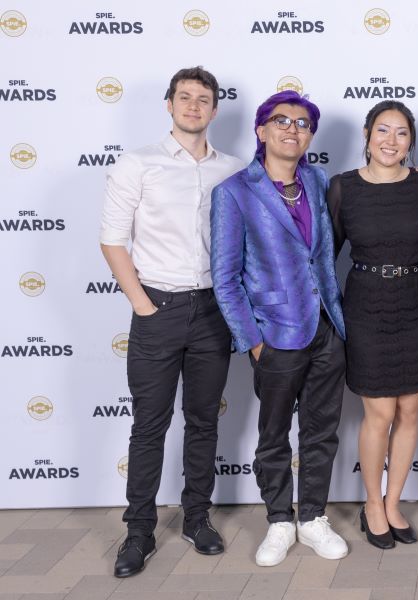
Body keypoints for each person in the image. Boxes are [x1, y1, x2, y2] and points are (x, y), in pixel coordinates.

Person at [100, 66, 242, 578]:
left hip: (212, 311)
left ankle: (196, 517)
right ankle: (138, 531)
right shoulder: (137, 164)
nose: (193, 106)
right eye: (184, 97)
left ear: (214, 109)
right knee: (149, 426)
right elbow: (113, 239)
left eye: (203, 99)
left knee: (203, 422)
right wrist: (141, 304)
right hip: (156, 307)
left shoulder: (234, 169)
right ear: (169, 104)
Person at [211, 90, 349, 567]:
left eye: (302, 123)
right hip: (274, 335)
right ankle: (278, 519)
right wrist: (253, 341)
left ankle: (311, 517)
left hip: (326, 329)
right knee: (273, 434)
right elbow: (225, 278)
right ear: (262, 130)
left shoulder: (316, 179)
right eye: (282, 121)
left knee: (321, 430)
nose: (293, 129)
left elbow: (324, 257)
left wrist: (336, 319)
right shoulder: (233, 192)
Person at [326, 100, 418, 549]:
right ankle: (371, 504)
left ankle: (394, 501)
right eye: (382, 131)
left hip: (416, 301)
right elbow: (325, 257)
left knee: (411, 411)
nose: (391, 141)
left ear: (411, 141)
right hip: (367, 304)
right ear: (367, 135)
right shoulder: (343, 187)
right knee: (379, 413)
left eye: (401, 133)